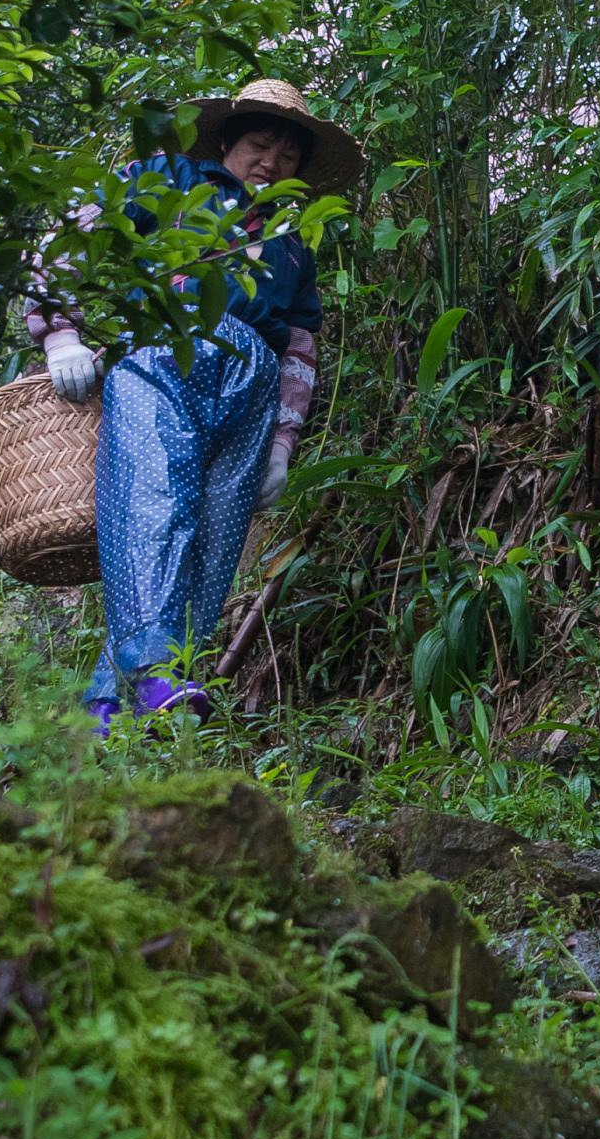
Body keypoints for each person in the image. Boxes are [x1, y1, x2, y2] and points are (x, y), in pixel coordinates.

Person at [27, 78, 361, 728]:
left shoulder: (293, 244)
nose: (271, 161)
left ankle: (106, 704)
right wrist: (60, 332)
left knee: (213, 540)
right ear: (229, 140)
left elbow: (299, 345)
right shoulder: (171, 178)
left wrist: (283, 448)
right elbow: (72, 235)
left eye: (288, 155)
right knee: (155, 503)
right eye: (260, 143)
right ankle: (155, 675)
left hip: (252, 386)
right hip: (165, 350)